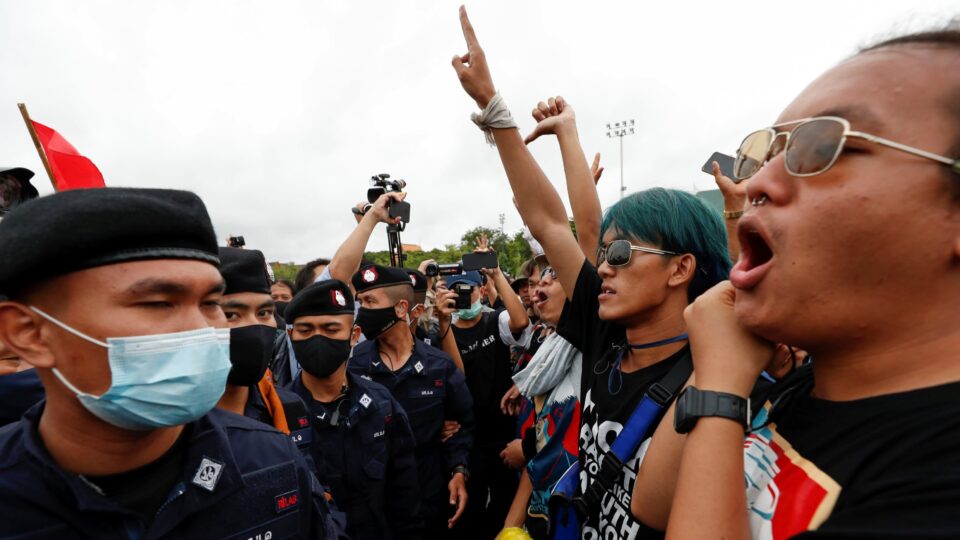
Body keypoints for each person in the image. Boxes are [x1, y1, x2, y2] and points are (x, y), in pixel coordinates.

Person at [667, 26, 960, 539]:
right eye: (771, 153)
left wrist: (717, 396)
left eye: (823, 146)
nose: (756, 182)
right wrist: (720, 376)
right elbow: (655, 505)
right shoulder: (810, 384)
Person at [451, 9, 730, 538]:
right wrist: (493, 105)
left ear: (681, 268)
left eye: (621, 253)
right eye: (603, 254)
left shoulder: (718, 373)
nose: (601, 266)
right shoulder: (605, 337)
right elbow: (550, 222)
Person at [0, 187, 339, 538]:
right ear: (30, 333)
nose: (201, 328)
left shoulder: (272, 460)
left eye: (210, 303)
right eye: (158, 303)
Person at [286, 279, 424, 539]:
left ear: (354, 336)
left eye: (330, 329)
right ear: (290, 335)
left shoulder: (381, 403)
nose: (317, 338)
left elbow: (404, 492)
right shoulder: (279, 414)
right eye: (305, 330)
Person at [348, 263, 475, 538]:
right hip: (373, 501)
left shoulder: (439, 365)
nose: (363, 311)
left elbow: (463, 424)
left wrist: (458, 471)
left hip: (428, 495)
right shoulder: (353, 366)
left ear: (401, 308)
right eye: (360, 302)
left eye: (370, 302)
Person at [447, 267, 530, 540]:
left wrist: (496, 276)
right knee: (469, 508)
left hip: (504, 431)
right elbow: (453, 375)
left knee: (505, 500)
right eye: (454, 291)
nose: (461, 297)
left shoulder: (496, 320)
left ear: (481, 291)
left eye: (466, 290)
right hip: (468, 436)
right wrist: (442, 321)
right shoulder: (442, 332)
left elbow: (520, 322)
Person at [501, 265, 581, 540]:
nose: (538, 287)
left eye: (556, 275)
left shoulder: (590, 350)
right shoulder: (548, 357)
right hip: (543, 512)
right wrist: (511, 525)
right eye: (538, 281)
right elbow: (542, 447)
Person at [215, 246, 312, 456]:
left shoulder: (290, 407)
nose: (255, 327)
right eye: (231, 314)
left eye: (264, 312)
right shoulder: (170, 425)